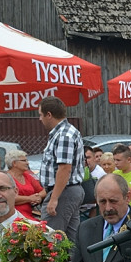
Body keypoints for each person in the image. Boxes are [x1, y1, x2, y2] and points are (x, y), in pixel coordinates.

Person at [38, 96, 85, 239]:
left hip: (64, 192)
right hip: (68, 191)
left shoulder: (64, 135)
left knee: (49, 239)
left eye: (40, 115)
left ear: (49, 115)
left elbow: (64, 168)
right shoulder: (66, 132)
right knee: (71, 242)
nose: (40, 119)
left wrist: (54, 198)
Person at [5, 149, 46, 219]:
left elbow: (44, 191)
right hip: (13, 215)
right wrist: (30, 198)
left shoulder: (27, 176)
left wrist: (38, 196)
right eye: (24, 161)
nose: (27, 163)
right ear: (14, 163)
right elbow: (9, 199)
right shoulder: (5, 177)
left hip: (28, 214)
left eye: (27, 160)